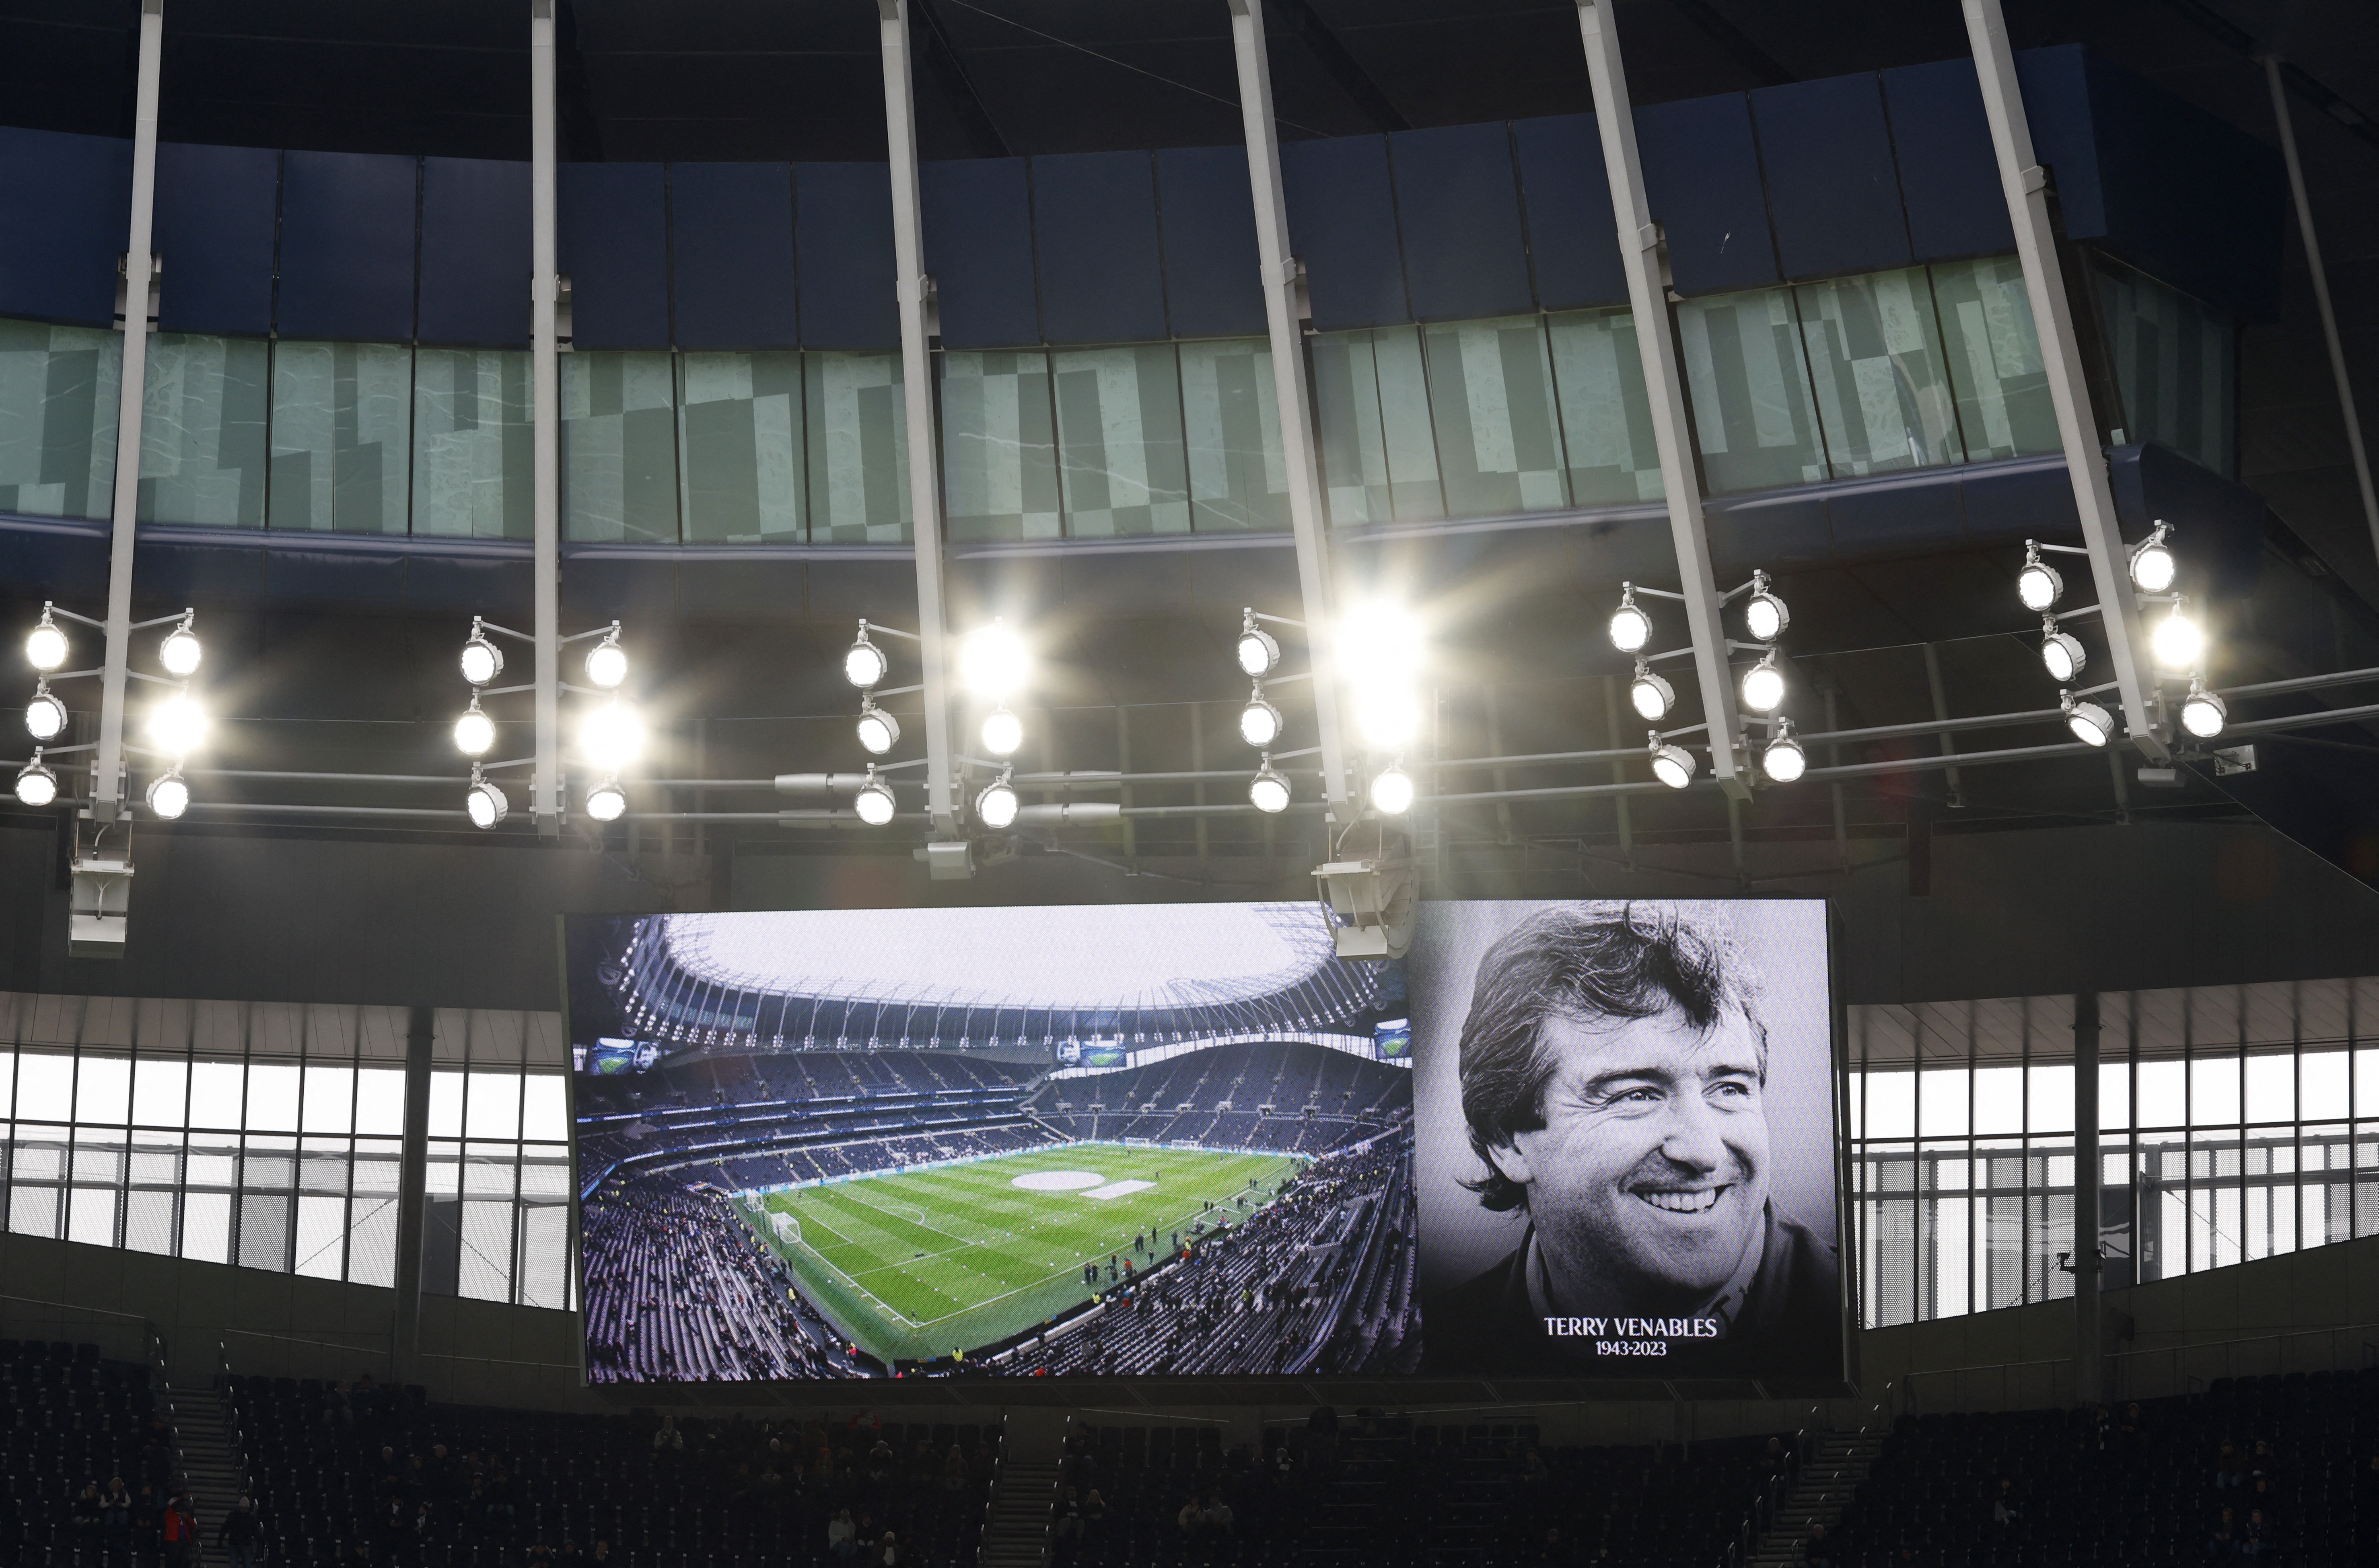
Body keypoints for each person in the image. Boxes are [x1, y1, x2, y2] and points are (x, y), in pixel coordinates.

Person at [1424, 903, 1840, 1376]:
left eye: (1729, 1089)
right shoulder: (1438, 1352)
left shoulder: (1857, 1321)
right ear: (1507, 1141)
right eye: (1636, 1094)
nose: (1703, 1151)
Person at [218, 1494, 264, 1567]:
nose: (244, 1510)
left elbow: (225, 1528)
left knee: (239, 1564)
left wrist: (220, 1540)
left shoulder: (234, 1516)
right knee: (244, 1564)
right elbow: (255, 1531)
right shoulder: (249, 1518)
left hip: (239, 1543)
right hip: (240, 1543)